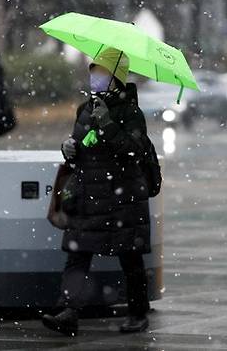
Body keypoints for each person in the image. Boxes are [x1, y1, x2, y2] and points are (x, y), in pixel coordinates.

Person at [42, 48, 152, 336]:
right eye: (92, 72)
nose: (95, 78)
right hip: (89, 193)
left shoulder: (131, 112)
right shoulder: (85, 109)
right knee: (78, 254)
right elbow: (82, 150)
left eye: (101, 73)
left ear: (116, 77)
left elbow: (134, 151)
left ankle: (138, 313)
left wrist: (108, 123)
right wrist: (70, 150)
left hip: (121, 197)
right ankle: (68, 311)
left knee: (130, 256)